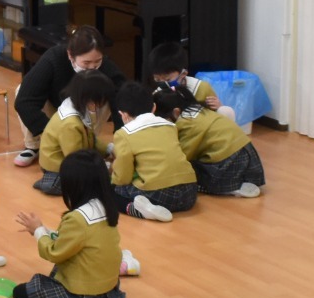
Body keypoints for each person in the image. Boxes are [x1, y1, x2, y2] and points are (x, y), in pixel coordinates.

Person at [13, 150, 127, 298]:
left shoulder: (77, 219)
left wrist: (38, 231)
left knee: (20, 293)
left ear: (74, 185)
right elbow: (73, 240)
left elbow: (54, 253)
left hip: (83, 293)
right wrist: (43, 230)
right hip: (109, 288)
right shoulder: (106, 206)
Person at [13, 25, 127, 167]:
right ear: (70, 55)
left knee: (111, 93)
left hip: (85, 118)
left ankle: (87, 142)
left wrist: (121, 137)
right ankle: (34, 146)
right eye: (86, 63)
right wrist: (51, 134)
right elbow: (24, 101)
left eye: (97, 62)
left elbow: (122, 97)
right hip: (56, 114)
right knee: (21, 90)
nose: (92, 68)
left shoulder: (105, 65)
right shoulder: (53, 58)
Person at [155, 81, 264, 198]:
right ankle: (239, 181)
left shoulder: (187, 124)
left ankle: (231, 187)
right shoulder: (198, 110)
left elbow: (183, 156)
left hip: (228, 161)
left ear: (176, 112)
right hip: (247, 153)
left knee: (187, 173)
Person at [109, 82, 200, 221]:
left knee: (109, 191)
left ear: (123, 115)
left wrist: (113, 177)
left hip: (156, 196)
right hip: (189, 193)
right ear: (154, 107)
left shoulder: (124, 134)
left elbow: (123, 177)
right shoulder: (170, 126)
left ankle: (137, 209)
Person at [34, 72, 116, 196]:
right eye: (102, 100)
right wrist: (104, 167)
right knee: (94, 185)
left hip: (72, 160)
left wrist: (109, 149)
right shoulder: (70, 124)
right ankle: (48, 182)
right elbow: (75, 159)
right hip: (57, 168)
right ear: (91, 100)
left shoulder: (80, 108)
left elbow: (91, 139)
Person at [148, 40, 235, 120]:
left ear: (183, 73)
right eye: (157, 79)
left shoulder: (201, 88)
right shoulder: (157, 96)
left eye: (168, 79)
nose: (163, 83)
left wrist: (219, 107)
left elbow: (216, 116)